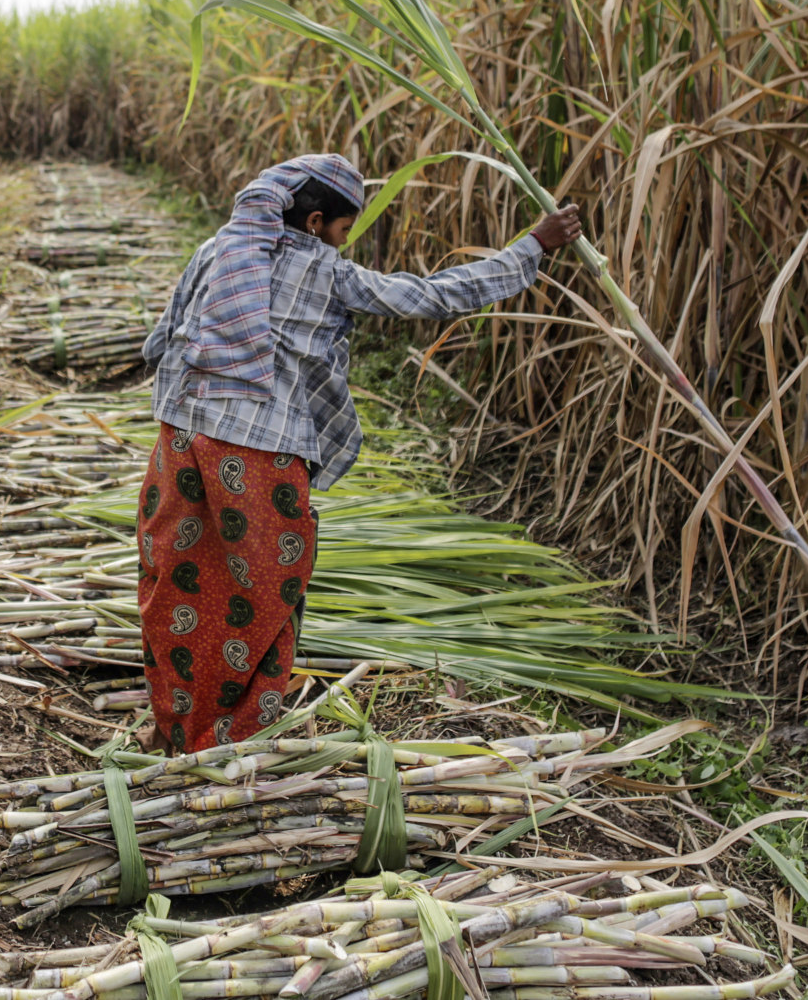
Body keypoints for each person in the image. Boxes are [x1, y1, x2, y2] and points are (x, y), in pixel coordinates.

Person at [134, 153, 583, 754]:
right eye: (345, 231)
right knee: (265, 591)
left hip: (178, 437)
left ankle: (175, 725)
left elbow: (165, 334)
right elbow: (436, 296)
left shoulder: (220, 248)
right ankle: (229, 737)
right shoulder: (326, 272)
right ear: (316, 222)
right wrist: (534, 245)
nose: (344, 243)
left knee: (176, 576)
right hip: (258, 452)